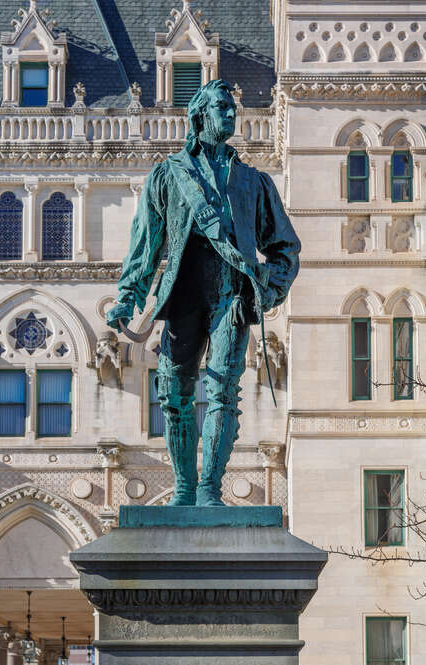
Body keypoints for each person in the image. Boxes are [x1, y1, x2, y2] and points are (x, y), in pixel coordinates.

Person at [108, 79, 301, 506]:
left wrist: (265, 292)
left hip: (230, 299)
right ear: (199, 117)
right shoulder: (168, 175)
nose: (231, 114)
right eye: (221, 108)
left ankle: (210, 490)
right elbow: (145, 244)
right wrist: (128, 296)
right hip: (183, 296)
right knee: (173, 392)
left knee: (222, 388)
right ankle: (184, 487)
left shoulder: (254, 183)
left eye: (232, 108)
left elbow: (286, 249)